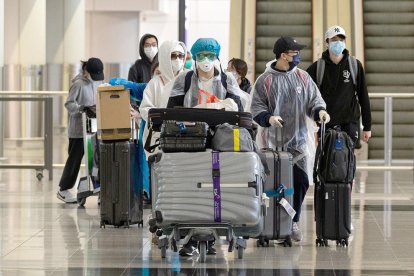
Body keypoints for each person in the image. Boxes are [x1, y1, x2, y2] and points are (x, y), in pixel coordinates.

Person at [250, 37, 329, 242]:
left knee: (300, 181)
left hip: (299, 141)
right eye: (294, 52)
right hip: (272, 143)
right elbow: (256, 107)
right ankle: (269, 223)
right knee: (273, 184)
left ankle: (293, 221)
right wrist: (268, 118)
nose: (298, 56)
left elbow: (315, 99)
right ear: (283, 55)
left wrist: (320, 112)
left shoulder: (303, 77)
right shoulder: (265, 80)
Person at [306, 25, 372, 147]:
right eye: (334, 40)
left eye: (341, 40)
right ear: (327, 42)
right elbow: (308, 97)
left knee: (348, 160)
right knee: (327, 159)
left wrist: (367, 127)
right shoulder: (317, 68)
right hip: (326, 122)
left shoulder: (355, 65)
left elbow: (364, 97)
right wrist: (312, 123)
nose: (338, 43)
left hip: (350, 123)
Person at [57, 58, 104, 203]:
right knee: (74, 160)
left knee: (96, 159)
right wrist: (81, 109)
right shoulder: (77, 84)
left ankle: (98, 188)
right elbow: (69, 103)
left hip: (93, 128)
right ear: (86, 71)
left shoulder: (98, 82)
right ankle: (63, 190)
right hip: (78, 130)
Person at [167, 38, 247, 111]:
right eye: (201, 56)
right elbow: (172, 110)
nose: (206, 59)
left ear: (216, 57)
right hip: (190, 125)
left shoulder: (227, 79)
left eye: (210, 56)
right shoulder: (184, 78)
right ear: (195, 57)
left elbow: (237, 109)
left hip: (221, 125)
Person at [139, 40, 187, 157]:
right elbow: (145, 109)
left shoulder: (187, 79)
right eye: (173, 56)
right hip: (159, 136)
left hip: (184, 135)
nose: (178, 59)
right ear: (165, 57)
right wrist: (161, 118)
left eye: (180, 56)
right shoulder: (155, 83)